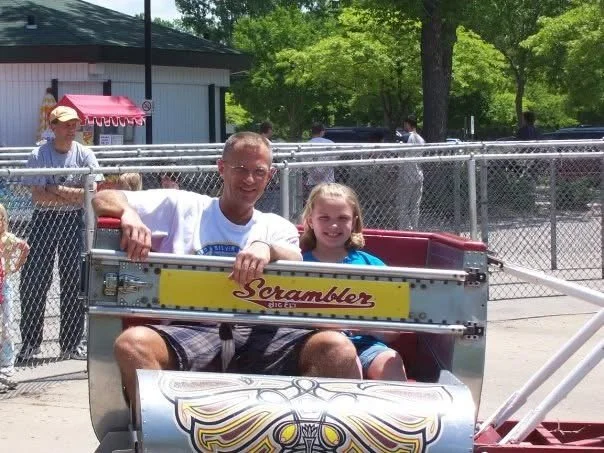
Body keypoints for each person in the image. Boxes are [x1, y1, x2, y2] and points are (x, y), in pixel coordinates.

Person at [92, 132, 361, 411]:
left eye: (259, 172)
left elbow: (293, 254)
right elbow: (105, 197)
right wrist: (129, 213)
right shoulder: (182, 206)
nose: (249, 180)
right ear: (222, 168)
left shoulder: (276, 226)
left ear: (269, 176)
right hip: (191, 330)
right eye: (241, 169)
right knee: (133, 344)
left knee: (337, 348)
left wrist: (266, 248)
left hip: (261, 334)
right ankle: (161, 437)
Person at [18, 105, 103, 362]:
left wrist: (55, 188)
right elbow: (38, 198)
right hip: (44, 221)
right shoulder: (39, 154)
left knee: (74, 282)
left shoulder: (85, 154)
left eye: (74, 124)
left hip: (75, 222)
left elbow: (92, 194)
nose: (71, 129)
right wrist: (73, 194)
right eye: (65, 125)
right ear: (53, 127)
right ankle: (31, 343)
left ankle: (71, 344)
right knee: (34, 281)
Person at [300, 183, 407, 381]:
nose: (334, 225)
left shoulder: (371, 265)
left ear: (354, 222)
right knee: (347, 360)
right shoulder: (299, 264)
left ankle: (404, 412)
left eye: (343, 218)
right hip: (320, 346)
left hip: (368, 345)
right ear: (311, 221)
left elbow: (394, 330)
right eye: (324, 218)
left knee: (391, 360)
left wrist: (364, 325)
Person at [0, 204, 29, 386]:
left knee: (6, 324)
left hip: (3, 286)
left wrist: (16, 265)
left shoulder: (7, 239)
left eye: (2, 219)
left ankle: (7, 362)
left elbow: (25, 247)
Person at [397, 116, 425, 230]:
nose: (404, 127)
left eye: (405, 125)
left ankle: (405, 228)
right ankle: (415, 226)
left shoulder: (406, 137)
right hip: (418, 173)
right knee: (415, 204)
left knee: (403, 203)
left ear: (408, 124)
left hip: (407, 174)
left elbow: (399, 153)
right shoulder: (421, 139)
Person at [304, 122, 335, 199]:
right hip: (328, 180)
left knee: (313, 201)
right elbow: (335, 156)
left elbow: (305, 163)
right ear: (322, 131)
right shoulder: (330, 143)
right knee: (328, 199)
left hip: (312, 180)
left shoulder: (307, 145)